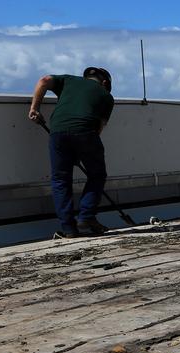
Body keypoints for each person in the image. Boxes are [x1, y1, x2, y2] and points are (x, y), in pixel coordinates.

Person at [28, 67, 115, 238]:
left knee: (61, 180)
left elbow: (44, 80)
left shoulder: (69, 80)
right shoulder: (107, 96)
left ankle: (69, 228)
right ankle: (86, 217)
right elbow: (98, 128)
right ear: (105, 83)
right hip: (85, 132)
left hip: (58, 132)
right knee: (96, 175)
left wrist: (34, 108)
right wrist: (80, 151)